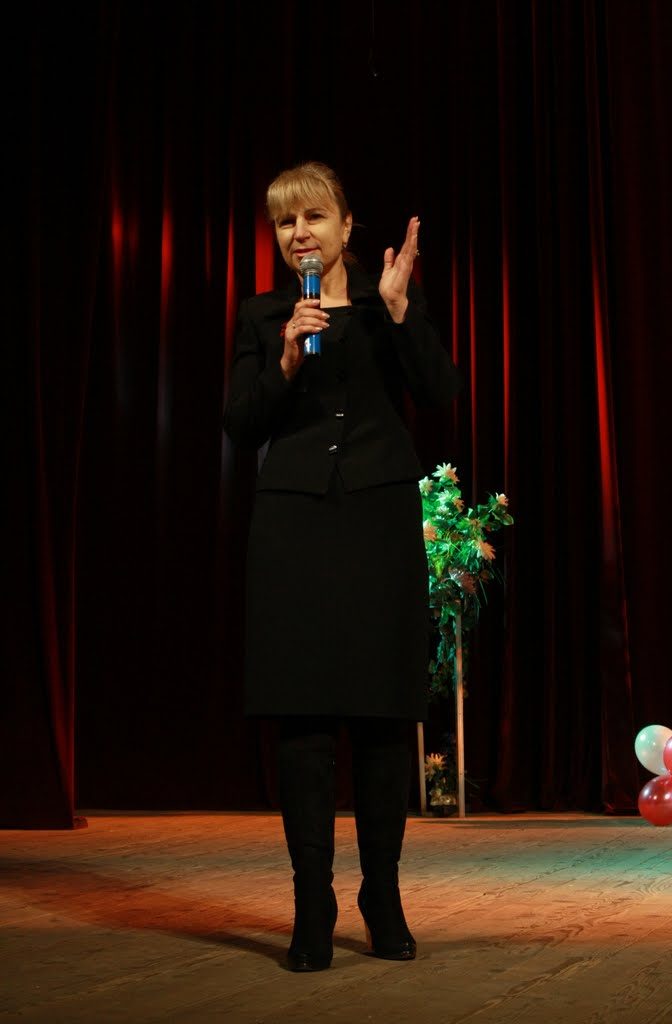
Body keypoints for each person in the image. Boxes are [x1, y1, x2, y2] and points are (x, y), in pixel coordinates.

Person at [224, 161, 461, 971]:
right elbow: (239, 424)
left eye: (313, 217)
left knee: (381, 714)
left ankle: (381, 894)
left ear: (346, 226)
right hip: (292, 527)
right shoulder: (264, 314)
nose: (299, 234)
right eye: (284, 222)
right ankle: (312, 902)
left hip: (375, 520)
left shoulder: (385, 299)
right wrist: (286, 359)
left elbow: (439, 391)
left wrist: (398, 311)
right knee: (303, 718)